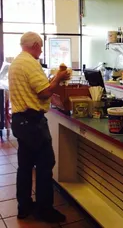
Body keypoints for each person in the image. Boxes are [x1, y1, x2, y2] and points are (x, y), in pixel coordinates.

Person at [8, 32, 70, 223]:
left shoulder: (17, 62)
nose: (41, 50)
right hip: (33, 122)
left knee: (25, 166)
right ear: (34, 45)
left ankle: (24, 207)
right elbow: (44, 93)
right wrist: (58, 78)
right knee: (45, 165)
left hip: (20, 120)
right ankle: (45, 210)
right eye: (41, 46)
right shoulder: (30, 63)